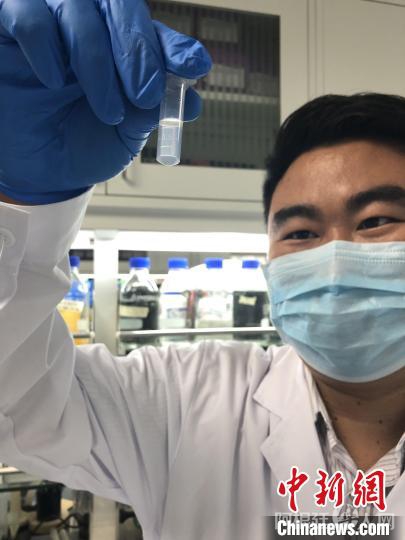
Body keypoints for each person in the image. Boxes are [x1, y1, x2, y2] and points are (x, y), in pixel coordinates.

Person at [0, 2, 404, 539]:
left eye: (375, 220)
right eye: (301, 232)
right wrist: (21, 199)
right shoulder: (181, 401)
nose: (333, 259)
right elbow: (16, 398)